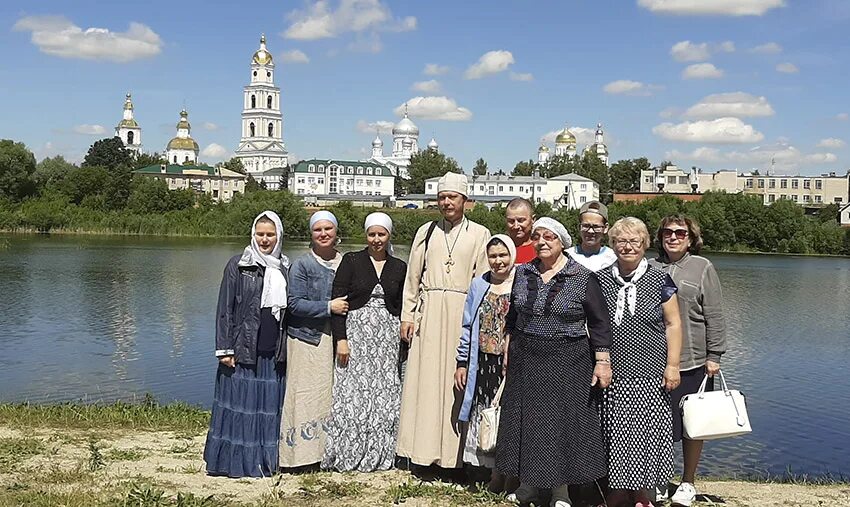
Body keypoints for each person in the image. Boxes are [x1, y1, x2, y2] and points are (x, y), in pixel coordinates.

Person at [496, 217, 613, 507]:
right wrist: (508, 348)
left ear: (562, 242)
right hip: (526, 356)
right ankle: (528, 487)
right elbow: (513, 317)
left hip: (568, 359)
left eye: (549, 237)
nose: (542, 242)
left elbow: (599, 323)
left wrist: (602, 361)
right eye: (537, 237)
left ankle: (561, 492)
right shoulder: (523, 273)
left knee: (560, 425)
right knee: (527, 421)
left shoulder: (582, 276)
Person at [398, 171, 490, 471]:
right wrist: (408, 316)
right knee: (425, 384)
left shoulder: (479, 234)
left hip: (462, 313)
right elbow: (413, 278)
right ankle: (422, 455)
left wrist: (476, 322)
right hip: (430, 311)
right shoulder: (426, 231)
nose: (446, 202)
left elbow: (483, 282)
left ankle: (456, 457)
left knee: (457, 383)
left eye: (452, 197)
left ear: (465, 200)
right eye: (442, 197)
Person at [596, 217, 683, 507]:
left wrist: (673, 365)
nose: (628, 246)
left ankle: (643, 493)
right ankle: (619, 490)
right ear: (613, 244)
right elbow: (595, 325)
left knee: (646, 434)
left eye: (634, 241)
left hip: (651, 370)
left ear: (645, 244)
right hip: (615, 371)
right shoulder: (601, 279)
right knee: (618, 432)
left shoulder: (660, 279)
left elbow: (673, 324)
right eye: (621, 241)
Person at [204, 211, 289, 478]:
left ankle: (265, 462)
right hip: (242, 349)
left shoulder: (284, 266)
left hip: (272, 350)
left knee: (267, 410)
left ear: (279, 236)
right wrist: (225, 348)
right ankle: (233, 463)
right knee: (240, 409)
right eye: (260, 234)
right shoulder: (238, 265)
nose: (264, 240)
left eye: (270, 234)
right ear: (253, 235)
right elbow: (224, 308)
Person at [650, 215, 726, 507]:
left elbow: (715, 315)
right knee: (657, 425)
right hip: (656, 360)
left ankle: (688, 481)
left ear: (691, 237)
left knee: (693, 426)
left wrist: (714, 355)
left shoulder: (702, 266)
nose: (673, 237)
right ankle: (657, 478)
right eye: (667, 232)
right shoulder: (652, 267)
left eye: (680, 232)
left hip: (694, 361)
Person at [322, 212, 408, 472]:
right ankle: (349, 452)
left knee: (385, 393)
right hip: (357, 334)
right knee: (352, 394)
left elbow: (403, 306)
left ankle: (382, 454)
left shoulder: (399, 266)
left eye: (381, 234)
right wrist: (341, 340)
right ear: (366, 235)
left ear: (389, 235)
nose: (376, 239)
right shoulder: (352, 260)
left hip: (387, 340)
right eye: (372, 234)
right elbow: (339, 302)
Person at [280, 211, 349, 469]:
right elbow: (294, 304)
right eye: (318, 229)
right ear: (311, 233)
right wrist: (328, 306)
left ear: (336, 232)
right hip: (306, 338)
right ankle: (298, 456)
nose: (323, 234)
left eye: (328, 229)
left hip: (335, 338)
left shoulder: (345, 262)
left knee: (328, 396)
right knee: (304, 396)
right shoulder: (302, 265)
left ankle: (325, 453)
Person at [454, 234, 516, 490]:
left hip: (510, 361)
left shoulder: (521, 282)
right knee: (486, 413)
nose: (498, 261)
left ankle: (509, 473)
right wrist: (462, 362)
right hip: (482, 360)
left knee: (509, 414)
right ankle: (491, 473)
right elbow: (467, 325)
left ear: (511, 255)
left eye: (503, 255)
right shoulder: (479, 285)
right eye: (493, 256)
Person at [566, 200, 617, 272]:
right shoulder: (567, 256)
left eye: (596, 227)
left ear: (605, 228)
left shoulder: (613, 258)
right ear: (579, 227)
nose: (590, 231)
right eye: (586, 226)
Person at [505, 198, 537, 264]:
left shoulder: (541, 248)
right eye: (511, 221)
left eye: (521, 220)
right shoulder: (500, 248)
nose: (516, 226)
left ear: (533, 219)